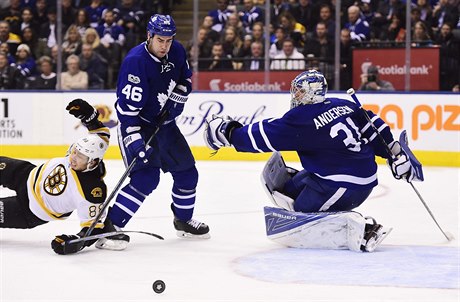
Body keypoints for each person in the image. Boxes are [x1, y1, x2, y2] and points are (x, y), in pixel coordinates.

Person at [204, 70, 420, 252]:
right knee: (287, 188)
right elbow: (374, 124)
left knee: (302, 215)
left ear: (310, 93)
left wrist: (230, 134)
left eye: (299, 90)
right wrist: (394, 152)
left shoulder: (302, 119)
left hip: (346, 185)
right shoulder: (342, 104)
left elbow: (264, 135)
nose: (295, 95)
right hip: (344, 174)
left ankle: (364, 229)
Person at [98, 14, 210, 250]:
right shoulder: (135, 62)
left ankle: (183, 220)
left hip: (166, 127)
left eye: (169, 40)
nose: (165, 46)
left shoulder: (177, 50)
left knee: (188, 174)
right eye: (160, 40)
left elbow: (185, 79)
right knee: (146, 178)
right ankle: (110, 226)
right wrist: (136, 143)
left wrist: (178, 99)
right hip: (139, 124)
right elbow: (127, 113)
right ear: (149, 36)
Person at [0, 98, 128, 255]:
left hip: (30, 209)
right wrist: (89, 115)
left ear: (92, 162)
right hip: (26, 174)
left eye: (80, 156)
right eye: (75, 151)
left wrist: (74, 243)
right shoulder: (94, 148)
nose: (73, 157)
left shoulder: (91, 191)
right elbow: (100, 132)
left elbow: (91, 230)